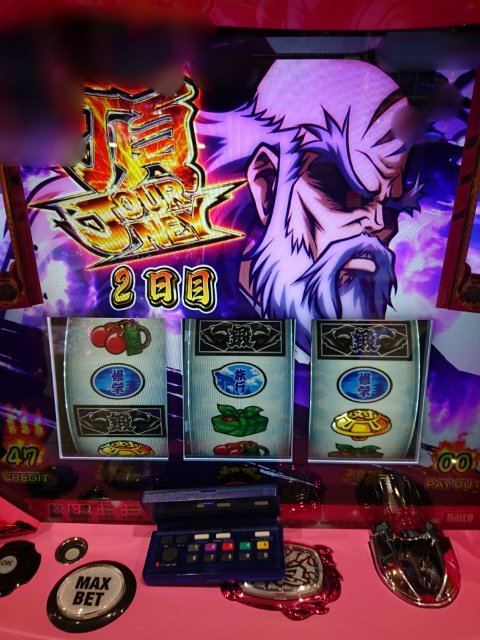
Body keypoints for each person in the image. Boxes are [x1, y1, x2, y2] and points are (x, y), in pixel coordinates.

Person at [197, 59, 422, 352]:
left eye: (390, 205)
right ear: (267, 185)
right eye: (346, 196)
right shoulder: (192, 311)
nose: (377, 224)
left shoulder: (417, 354)